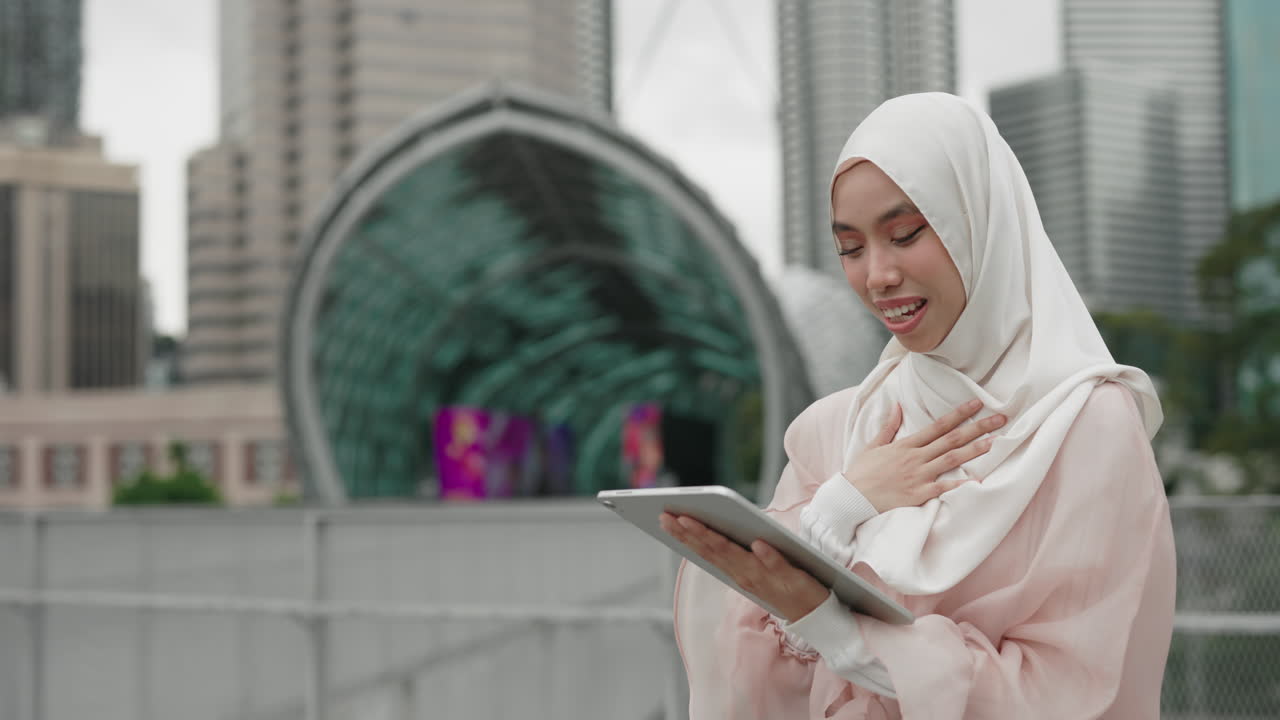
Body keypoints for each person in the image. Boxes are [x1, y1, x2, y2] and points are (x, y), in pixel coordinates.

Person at [659, 92, 1176, 719]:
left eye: (905, 235)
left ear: (980, 221)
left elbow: (1060, 691)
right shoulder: (836, 432)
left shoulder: (1086, 427)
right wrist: (835, 510)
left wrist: (838, 630)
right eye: (851, 248)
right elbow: (761, 688)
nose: (877, 275)